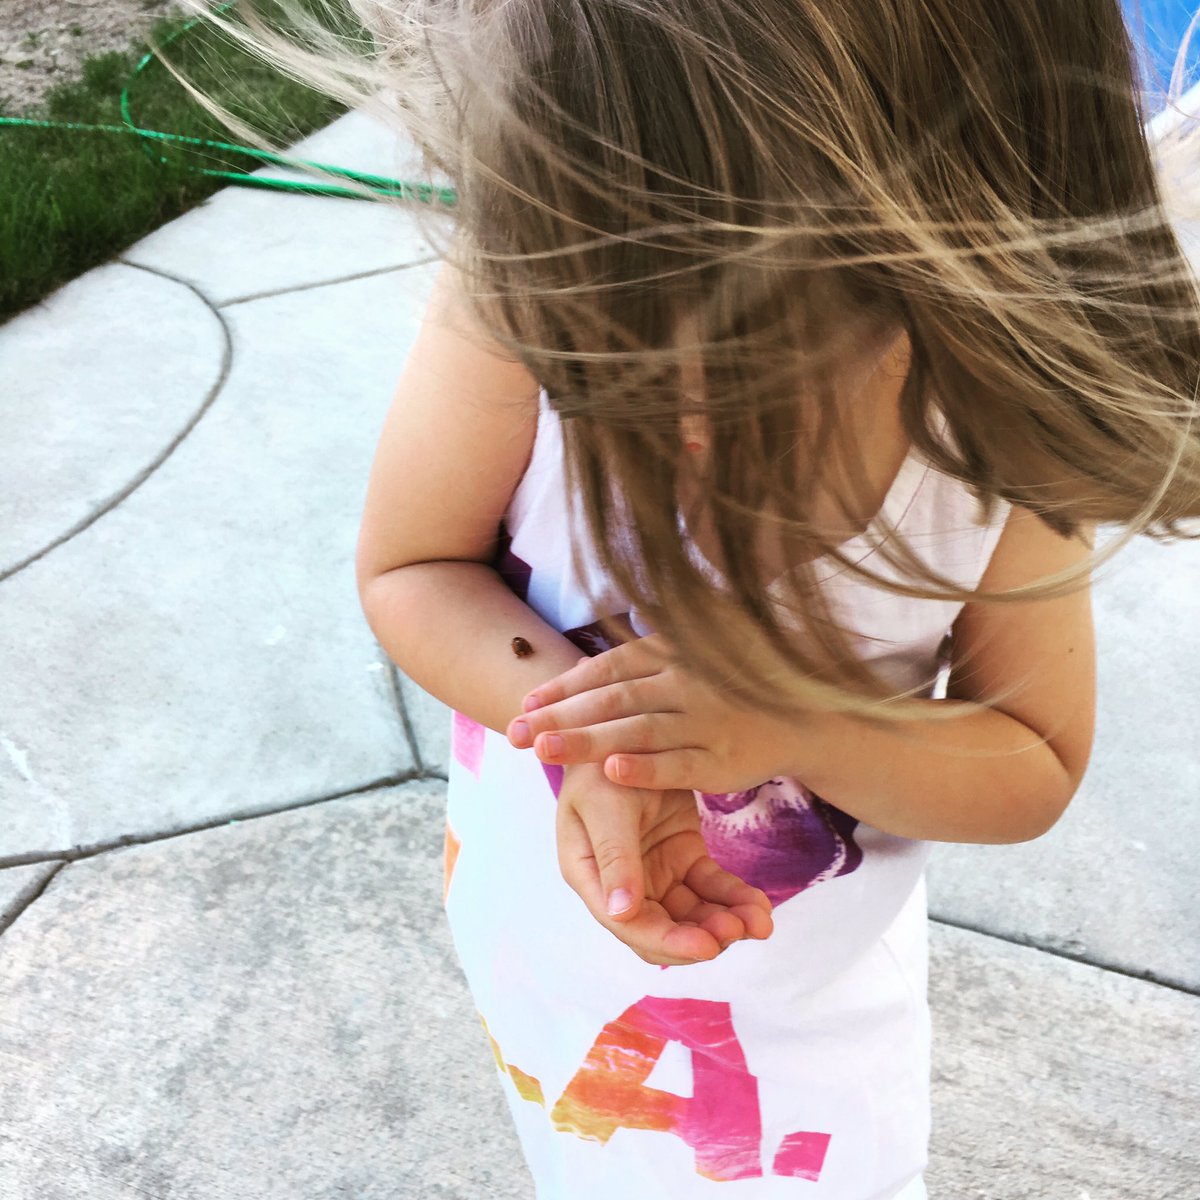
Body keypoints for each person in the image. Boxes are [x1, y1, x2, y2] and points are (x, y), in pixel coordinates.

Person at [192, 0, 1200, 1194]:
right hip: (539, 954)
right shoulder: (530, 274)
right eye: (594, 346)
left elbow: (1029, 759)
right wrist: (594, 741)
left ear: (936, 262)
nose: (640, 401)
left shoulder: (984, 445)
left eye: (732, 362)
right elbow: (412, 567)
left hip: (807, 1043)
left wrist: (794, 728)